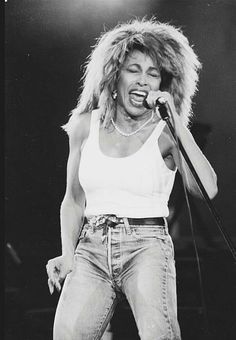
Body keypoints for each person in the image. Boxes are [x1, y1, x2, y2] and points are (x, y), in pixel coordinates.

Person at [46, 18, 218, 340]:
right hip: (91, 247)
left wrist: (178, 123)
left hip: (147, 247)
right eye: (134, 70)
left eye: (153, 74)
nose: (144, 81)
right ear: (114, 75)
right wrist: (67, 253)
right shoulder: (85, 126)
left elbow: (206, 189)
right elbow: (73, 199)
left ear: (164, 84)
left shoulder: (166, 133)